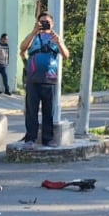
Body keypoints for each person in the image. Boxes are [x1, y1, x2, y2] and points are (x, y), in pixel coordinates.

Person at [19, 12, 69, 148]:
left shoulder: (55, 38)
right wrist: (34, 31)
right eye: (42, 21)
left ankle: (48, 138)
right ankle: (30, 138)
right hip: (33, 79)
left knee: (48, 111)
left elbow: (66, 55)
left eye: (47, 22)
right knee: (31, 111)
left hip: (50, 79)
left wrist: (59, 42)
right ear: (37, 23)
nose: (44, 24)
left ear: (53, 24)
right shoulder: (33, 36)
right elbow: (22, 48)